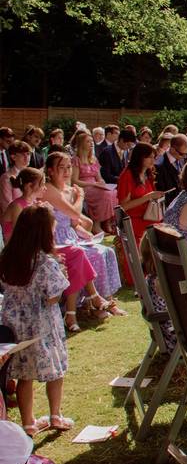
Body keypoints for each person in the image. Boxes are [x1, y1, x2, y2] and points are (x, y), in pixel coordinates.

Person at [0, 205, 74, 436]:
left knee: (24, 376)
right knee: (56, 372)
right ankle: (55, 415)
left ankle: (28, 423)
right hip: (42, 328)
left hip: (15, 329)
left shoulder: (8, 258)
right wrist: (62, 271)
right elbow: (52, 297)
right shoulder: (44, 262)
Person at [2, 170, 101, 333]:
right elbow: (24, 241)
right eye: (41, 184)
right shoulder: (18, 207)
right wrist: (51, 253)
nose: (45, 189)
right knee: (72, 257)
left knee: (76, 254)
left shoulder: (35, 205)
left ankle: (75, 310)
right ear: (28, 186)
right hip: (21, 256)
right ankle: (81, 306)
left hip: (34, 252)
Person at [41, 152, 125, 314]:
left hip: (71, 236)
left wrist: (88, 235)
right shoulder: (50, 190)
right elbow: (74, 213)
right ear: (50, 171)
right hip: (55, 238)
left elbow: (73, 223)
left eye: (69, 167)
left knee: (106, 251)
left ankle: (107, 300)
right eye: (61, 168)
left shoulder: (70, 190)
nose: (66, 171)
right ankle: (93, 302)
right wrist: (80, 196)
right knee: (94, 256)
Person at [118, 142, 166, 245]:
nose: (153, 161)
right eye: (149, 157)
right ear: (140, 157)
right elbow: (123, 206)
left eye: (154, 157)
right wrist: (148, 197)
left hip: (149, 216)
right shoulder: (128, 175)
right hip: (134, 220)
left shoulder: (147, 174)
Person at [71, 131, 119, 233]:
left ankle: (107, 221)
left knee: (114, 193)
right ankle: (97, 224)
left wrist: (101, 182)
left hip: (95, 185)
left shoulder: (93, 159)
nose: (91, 143)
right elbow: (74, 180)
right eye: (88, 141)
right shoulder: (76, 160)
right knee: (104, 195)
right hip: (83, 186)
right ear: (82, 144)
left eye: (92, 141)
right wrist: (93, 184)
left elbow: (99, 177)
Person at [156, 133, 187, 204]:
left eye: (186, 154)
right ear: (172, 149)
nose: (184, 156)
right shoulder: (159, 164)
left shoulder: (180, 159)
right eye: (182, 154)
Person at [0, 141, 32, 213]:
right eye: (22, 154)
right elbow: (6, 205)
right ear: (13, 157)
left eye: (28, 154)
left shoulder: (32, 175)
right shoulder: (6, 178)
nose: (26, 157)